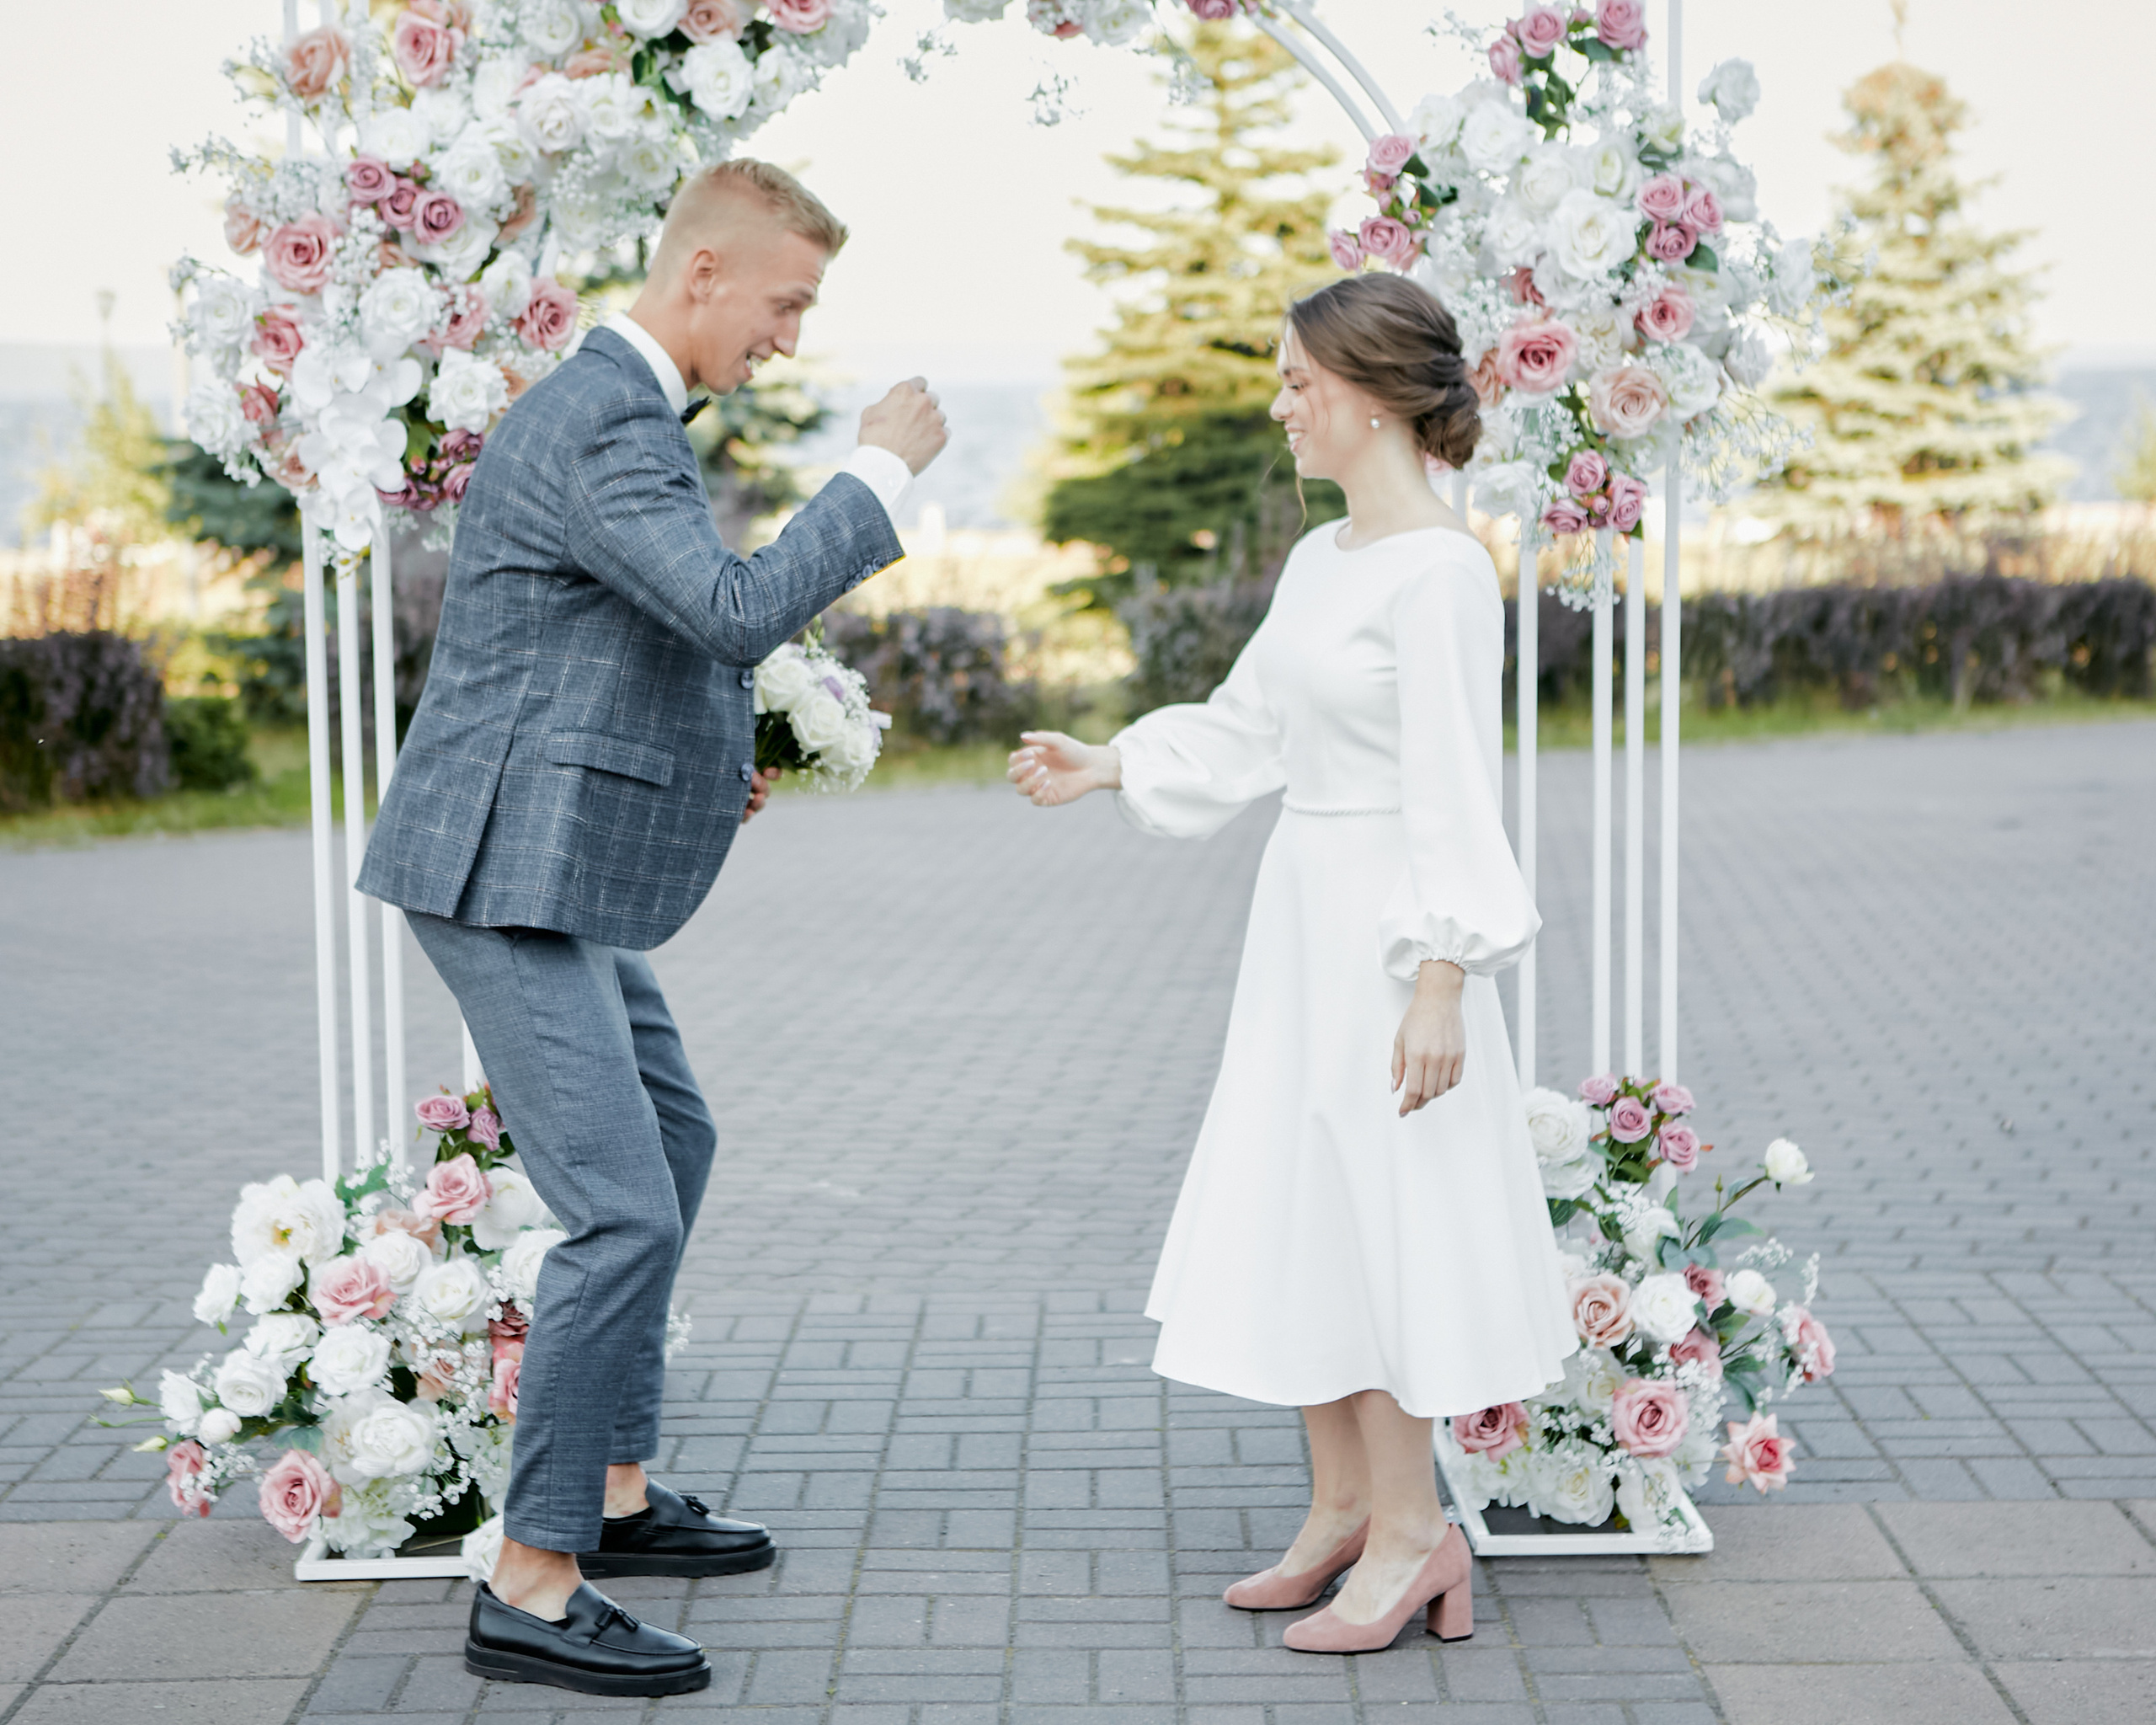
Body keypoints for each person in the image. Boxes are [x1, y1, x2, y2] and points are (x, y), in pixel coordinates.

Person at [357, 159, 947, 1698]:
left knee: (670, 1143)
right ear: (700, 276)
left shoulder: (613, 414)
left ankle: (611, 1499)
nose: (792, 337)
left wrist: (727, 752)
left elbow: (623, 634)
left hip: (549, 868)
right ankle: (533, 1584)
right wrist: (877, 475)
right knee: (620, 1212)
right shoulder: (609, 418)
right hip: (498, 871)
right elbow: (731, 608)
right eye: (786, 302)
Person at [1007, 272, 1574, 1655]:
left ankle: (1412, 1535)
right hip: (1303, 924)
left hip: (1393, 940)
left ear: (1375, 399)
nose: (1281, 406)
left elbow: (1457, 790)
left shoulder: (1442, 574)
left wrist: (1444, 973)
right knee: (1309, 1209)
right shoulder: (1324, 560)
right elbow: (1255, 725)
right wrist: (1119, 761)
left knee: (1387, 1229)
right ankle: (1337, 1511)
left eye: (1299, 384)